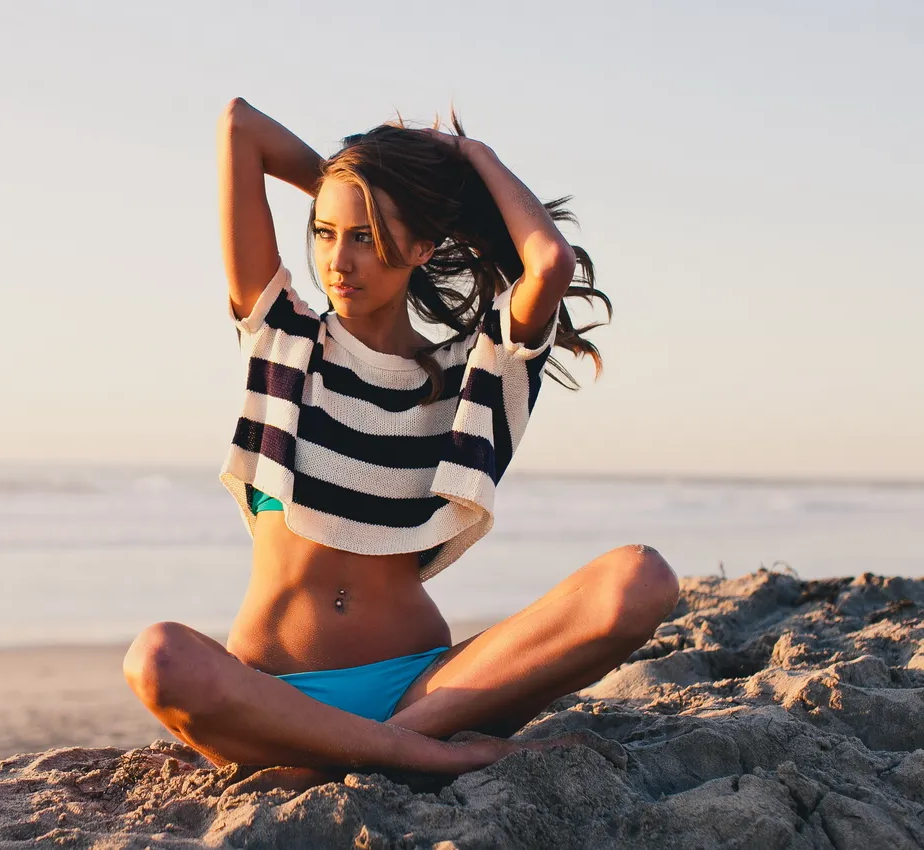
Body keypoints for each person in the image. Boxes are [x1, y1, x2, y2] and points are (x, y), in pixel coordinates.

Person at [122, 98, 679, 782]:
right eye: (326, 232)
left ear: (422, 247)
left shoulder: (467, 376)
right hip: (273, 695)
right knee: (158, 657)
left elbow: (549, 262)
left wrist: (475, 159)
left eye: (366, 238)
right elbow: (239, 125)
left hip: (427, 690)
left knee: (641, 578)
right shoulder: (283, 338)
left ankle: (369, 746)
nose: (338, 260)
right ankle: (402, 754)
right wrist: (358, 186)